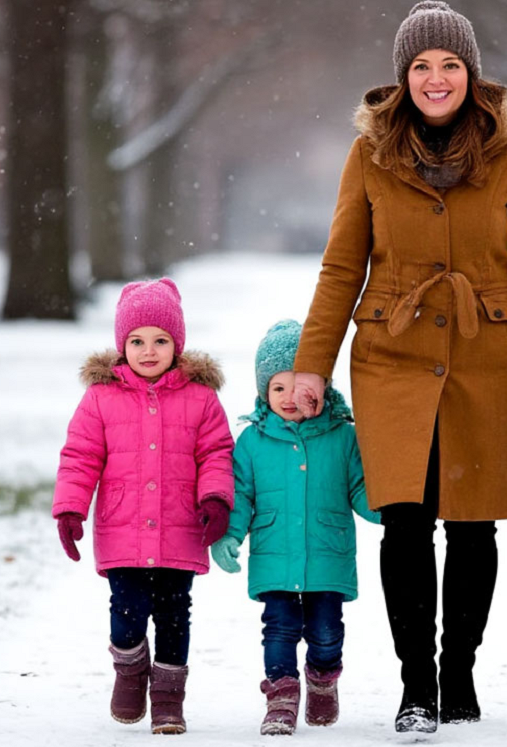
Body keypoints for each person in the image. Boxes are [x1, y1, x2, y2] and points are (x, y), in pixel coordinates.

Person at [290, 0, 507, 732]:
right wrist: (309, 367)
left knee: (474, 527)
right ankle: (416, 684)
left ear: (472, 75)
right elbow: (340, 267)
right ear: (402, 77)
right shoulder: (370, 155)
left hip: (485, 354)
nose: (436, 78)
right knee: (406, 524)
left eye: (450, 64)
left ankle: (460, 675)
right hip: (392, 353)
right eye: (421, 66)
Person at [53, 278, 235, 735]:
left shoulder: (201, 398)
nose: (148, 351)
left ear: (178, 344)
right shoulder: (100, 398)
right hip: (123, 527)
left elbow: (216, 452)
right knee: (127, 609)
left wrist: (215, 498)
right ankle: (131, 672)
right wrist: (70, 508)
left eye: (160, 340)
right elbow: (80, 455)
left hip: (179, 525)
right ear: (121, 345)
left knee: (175, 613)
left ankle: (169, 699)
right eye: (136, 341)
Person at [211, 320, 380, 736]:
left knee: (326, 631)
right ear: (263, 392)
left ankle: (323, 680)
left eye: (299, 386)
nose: (289, 398)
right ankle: (281, 698)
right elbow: (242, 494)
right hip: (274, 555)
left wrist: (392, 514)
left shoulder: (343, 437)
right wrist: (230, 535)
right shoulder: (252, 442)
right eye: (278, 387)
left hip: (328, 553)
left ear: (322, 385)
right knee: (279, 629)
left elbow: (360, 487)